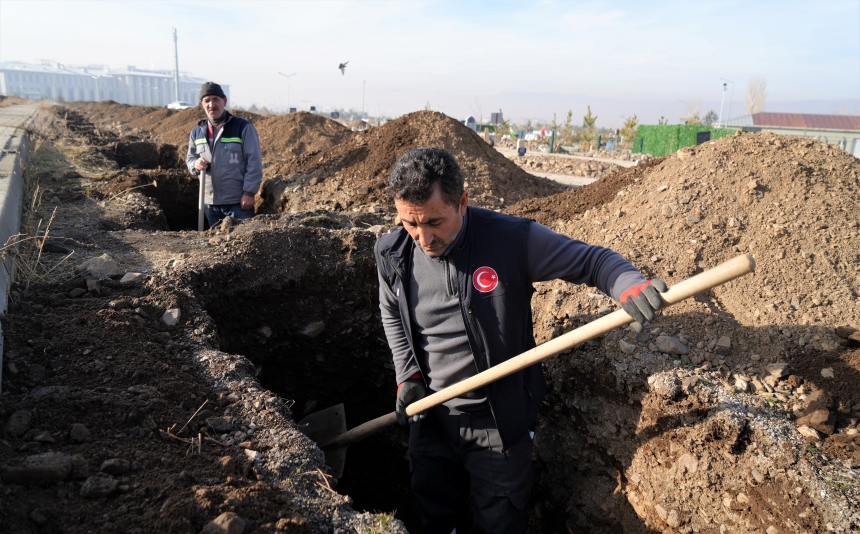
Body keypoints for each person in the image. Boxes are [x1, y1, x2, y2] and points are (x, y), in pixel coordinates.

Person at [375, 147, 666, 534]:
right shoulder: (393, 253)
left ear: (462, 202)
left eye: (434, 222)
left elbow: (592, 261)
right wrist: (407, 376)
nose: (423, 238)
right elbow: (391, 314)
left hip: (498, 421)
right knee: (436, 516)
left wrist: (630, 286)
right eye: (411, 224)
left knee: (500, 522)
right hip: (431, 417)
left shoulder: (511, 241)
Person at [185, 81, 263, 227]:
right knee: (214, 246)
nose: (211, 104)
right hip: (209, 204)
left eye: (216, 99)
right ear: (202, 103)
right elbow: (190, 158)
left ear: (224, 101)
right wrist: (195, 164)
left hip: (238, 203)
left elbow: (254, 162)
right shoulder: (197, 131)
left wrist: (249, 192)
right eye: (207, 100)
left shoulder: (243, 127)